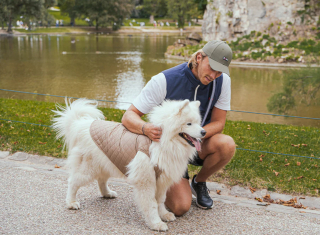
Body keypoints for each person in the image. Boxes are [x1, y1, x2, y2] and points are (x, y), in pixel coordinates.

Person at [121, 40, 236, 216]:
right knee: (181, 207)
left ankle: (199, 182)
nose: (214, 75)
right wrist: (145, 128)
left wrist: (193, 136)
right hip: (169, 151)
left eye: (219, 72)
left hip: (196, 143)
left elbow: (219, 123)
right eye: (212, 68)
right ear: (199, 57)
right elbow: (128, 116)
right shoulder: (164, 80)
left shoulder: (223, 82)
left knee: (227, 144)